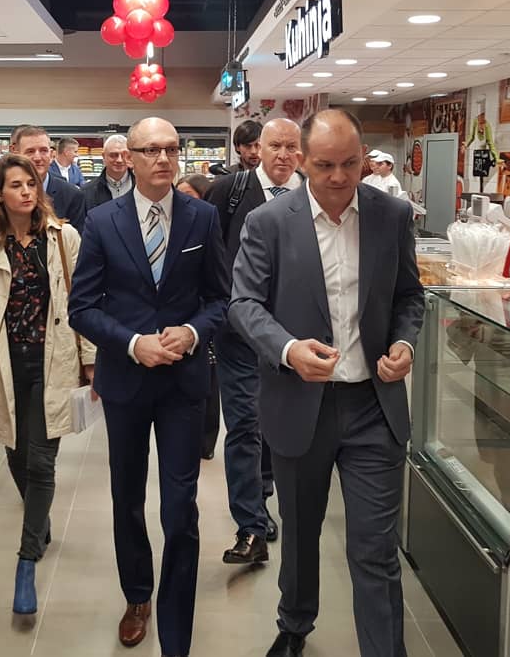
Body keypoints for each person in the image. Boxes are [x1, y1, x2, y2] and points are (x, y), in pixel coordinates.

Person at [229, 109, 425, 657]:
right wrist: (288, 350)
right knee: (300, 533)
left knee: (375, 549)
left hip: (372, 407)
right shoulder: (270, 222)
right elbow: (243, 304)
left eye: (350, 164)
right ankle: (294, 622)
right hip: (300, 404)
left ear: (364, 159)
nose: (339, 177)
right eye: (324, 165)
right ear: (301, 161)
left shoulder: (391, 215)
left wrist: (404, 343)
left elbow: (409, 295)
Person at [68, 117, 230, 657]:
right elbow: (82, 307)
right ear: (130, 158)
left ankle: (177, 624)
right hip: (127, 380)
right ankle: (137, 595)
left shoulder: (202, 217)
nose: (163, 158)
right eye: (151, 150)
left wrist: (192, 332)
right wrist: (134, 343)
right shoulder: (102, 221)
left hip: (184, 381)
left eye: (171, 149)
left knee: (181, 506)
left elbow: (220, 298)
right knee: (127, 496)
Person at [0, 153, 96, 615]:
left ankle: (26, 561)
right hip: (7, 364)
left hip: (52, 362)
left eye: (31, 184)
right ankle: (39, 523)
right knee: (16, 454)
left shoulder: (63, 238)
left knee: (41, 461)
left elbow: (83, 302)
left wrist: (89, 359)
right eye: (15, 185)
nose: (26, 192)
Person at [206, 118, 303, 565]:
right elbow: (211, 254)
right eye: (274, 145)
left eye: (291, 146)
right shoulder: (231, 192)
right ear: (257, 149)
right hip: (240, 332)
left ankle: (268, 494)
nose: (283, 155)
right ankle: (251, 524)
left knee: (282, 423)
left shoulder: (312, 195)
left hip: (296, 336)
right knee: (245, 423)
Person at [175, 174, 219, 460]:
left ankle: (206, 441)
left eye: (189, 194)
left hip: (204, 322)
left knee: (209, 383)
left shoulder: (208, 223)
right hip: (178, 323)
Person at [10, 125, 87, 233]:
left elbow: (77, 241)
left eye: (43, 151)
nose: (37, 158)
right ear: (16, 154)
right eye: (30, 151)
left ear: (51, 155)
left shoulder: (72, 195)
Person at [83, 134, 134, 210]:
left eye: (124, 155)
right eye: (113, 155)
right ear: (103, 156)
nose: (119, 160)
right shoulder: (87, 192)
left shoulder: (144, 188)